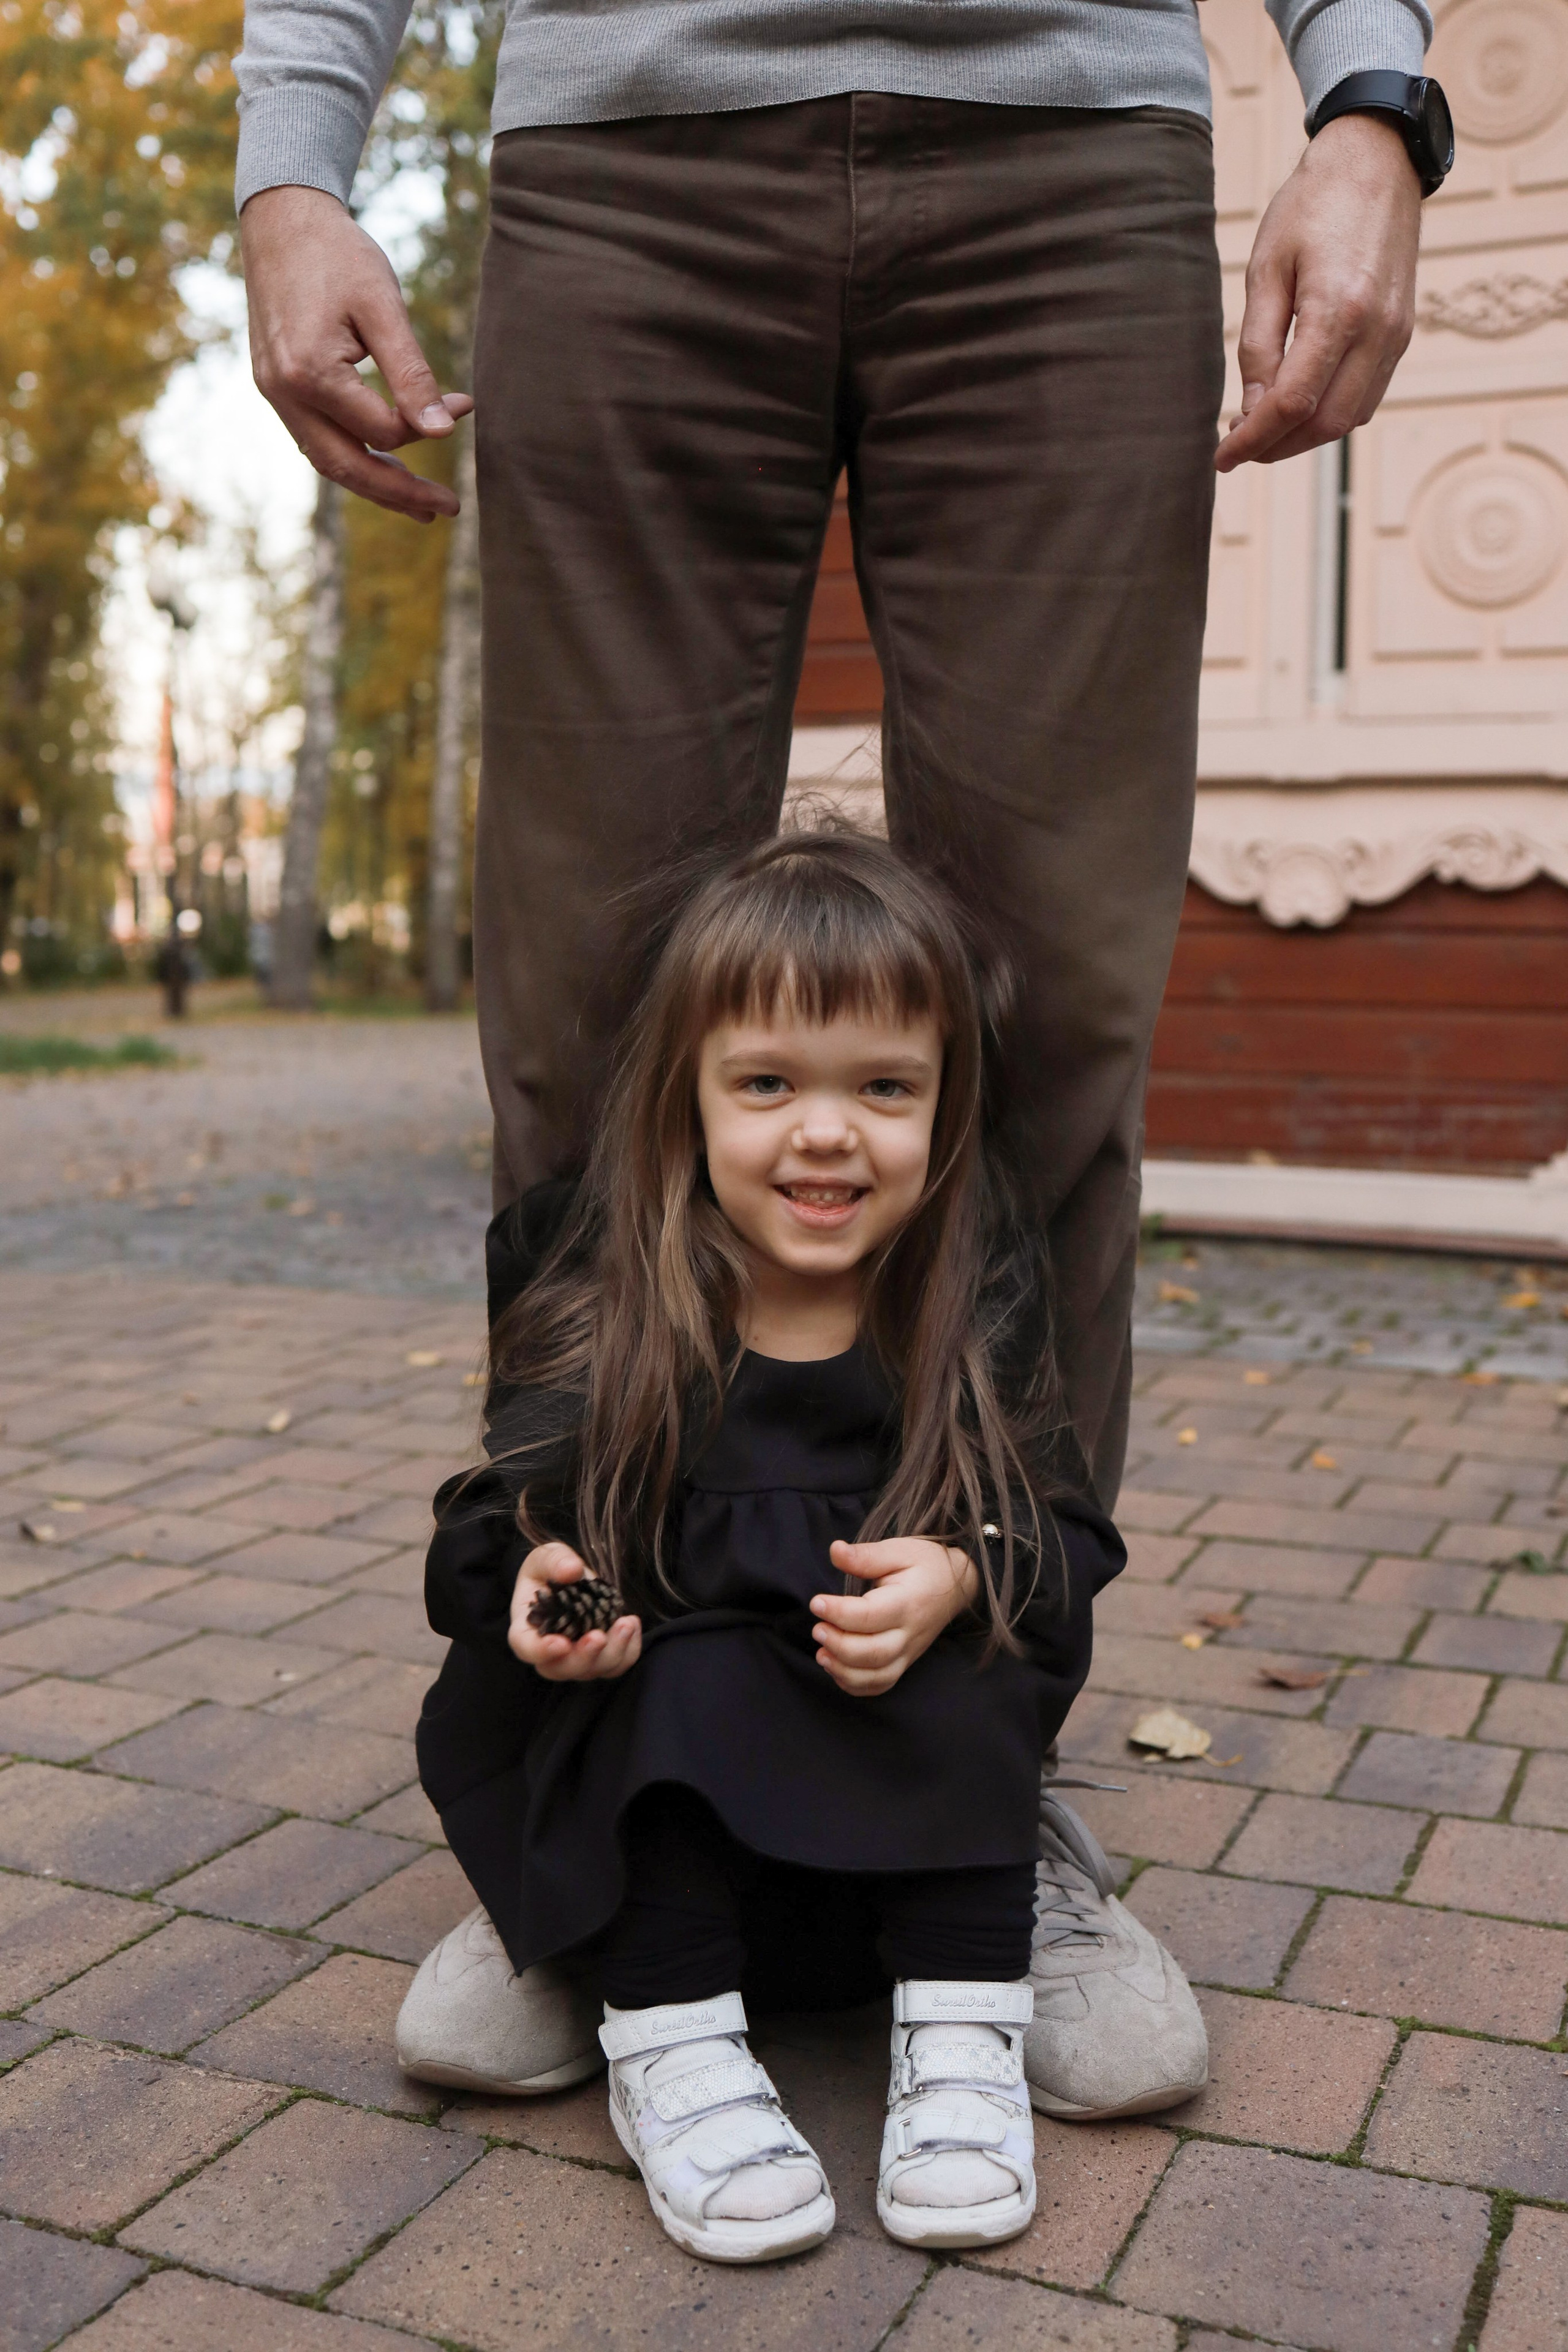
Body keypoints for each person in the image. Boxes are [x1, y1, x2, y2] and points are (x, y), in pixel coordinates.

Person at [235, 0, 1443, 2109]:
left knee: (1042, 1032)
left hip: (1068, 159)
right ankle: (593, 1786)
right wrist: (290, 158)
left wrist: (1374, 100)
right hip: (632, 163)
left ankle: (986, 1784)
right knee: (596, 1029)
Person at [411, 831, 1133, 2261]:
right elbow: (495, 1520)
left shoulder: (958, 1308)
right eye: (767, 1085)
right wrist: (543, 1585)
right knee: (668, 1689)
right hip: (678, 1837)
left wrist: (962, 1571)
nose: (826, 1132)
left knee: (972, 1669)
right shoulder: (611, 1303)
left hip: (897, 1848)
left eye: (883, 1087)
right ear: (685, 1104)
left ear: (946, 1106)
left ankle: (965, 2040)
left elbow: (1063, 1533)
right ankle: (670, 2046)